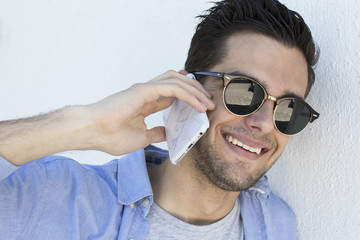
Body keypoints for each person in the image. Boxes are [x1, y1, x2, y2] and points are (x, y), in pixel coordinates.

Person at [0, 0, 320, 239]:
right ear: (188, 88)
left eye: (290, 110)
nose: (265, 123)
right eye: (245, 92)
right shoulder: (57, 198)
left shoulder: (276, 223)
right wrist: (85, 124)